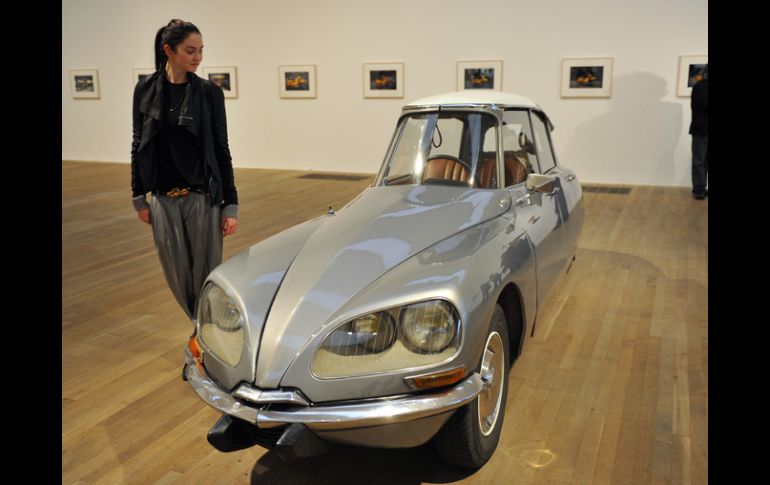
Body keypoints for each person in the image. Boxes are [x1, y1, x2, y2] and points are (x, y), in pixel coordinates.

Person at [130, 19, 238, 319]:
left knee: (207, 276)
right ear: (169, 50)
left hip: (202, 198)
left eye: (201, 50)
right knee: (177, 278)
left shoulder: (209, 93)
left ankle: (207, 333)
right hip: (163, 199)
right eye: (190, 51)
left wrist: (231, 204)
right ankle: (201, 327)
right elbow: (139, 143)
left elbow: (221, 148)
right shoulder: (145, 90)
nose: (198, 57)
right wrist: (138, 195)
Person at [689, 63, 708, 199]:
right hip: (701, 129)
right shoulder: (699, 87)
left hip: (702, 128)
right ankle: (699, 189)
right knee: (699, 160)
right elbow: (703, 104)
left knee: (703, 160)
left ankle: (702, 187)